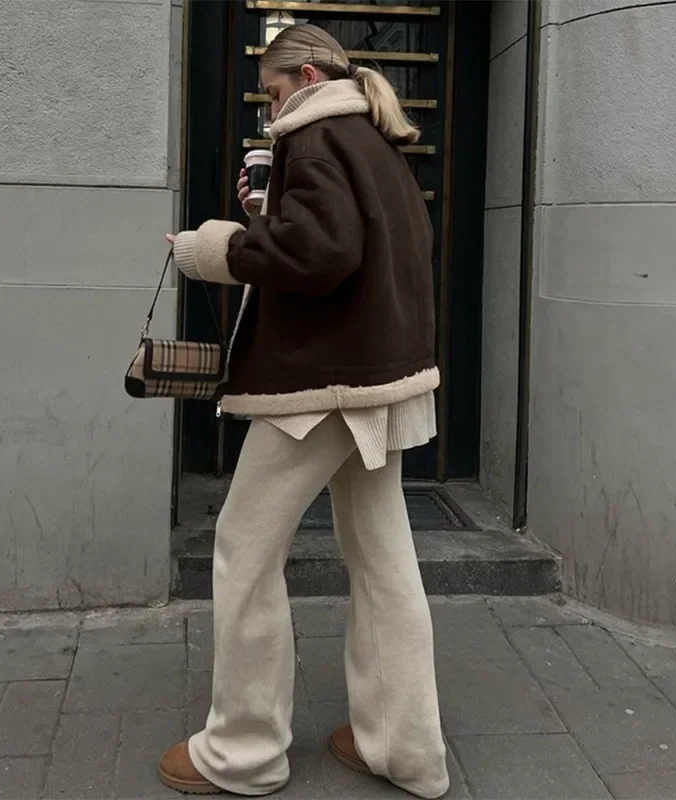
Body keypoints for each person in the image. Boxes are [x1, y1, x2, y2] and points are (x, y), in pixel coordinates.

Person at [159, 23, 449, 800]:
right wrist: (268, 217)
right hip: (379, 378)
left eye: (274, 91)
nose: (270, 108)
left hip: (322, 386)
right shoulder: (376, 141)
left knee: (244, 549)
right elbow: (363, 248)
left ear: (309, 77)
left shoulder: (315, 137)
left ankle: (243, 752)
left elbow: (320, 253)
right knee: (384, 561)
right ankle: (408, 751)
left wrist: (214, 248)